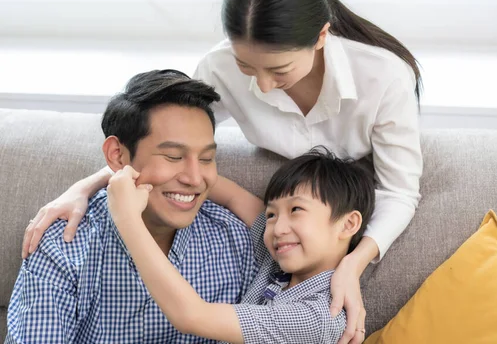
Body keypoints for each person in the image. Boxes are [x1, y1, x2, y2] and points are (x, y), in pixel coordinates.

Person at [22, 0, 423, 343]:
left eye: (278, 70)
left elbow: (400, 191)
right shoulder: (272, 255)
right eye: (248, 68)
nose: (262, 86)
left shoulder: (318, 312)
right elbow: (176, 142)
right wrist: (91, 184)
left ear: (321, 36)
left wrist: (353, 266)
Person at [6, 70, 258, 344]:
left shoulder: (235, 240)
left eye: (208, 158)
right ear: (117, 155)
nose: (196, 179)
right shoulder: (64, 245)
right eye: (173, 156)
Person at [107, 147, 375, 343]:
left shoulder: (318, 316)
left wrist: (128, 218)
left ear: (348, 224)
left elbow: (191, 316)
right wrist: (135, 174)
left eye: (296, 210)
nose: (278, 228)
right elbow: (231, 195)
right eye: (271, 214)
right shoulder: (278, 260)